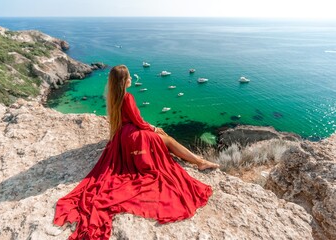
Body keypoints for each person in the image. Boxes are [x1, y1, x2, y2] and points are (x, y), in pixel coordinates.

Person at [53, 65, 219, 239]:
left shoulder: (112, 96)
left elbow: (126, 119)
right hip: (134, 136)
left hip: (121, 137)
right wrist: (154, 128)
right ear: (125, 81)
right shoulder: (128, 97)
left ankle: (198, 160)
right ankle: (200, 162)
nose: (132, 79)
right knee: (167, 139)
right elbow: (139, 121)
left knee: (164, 139)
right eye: (130, 77)